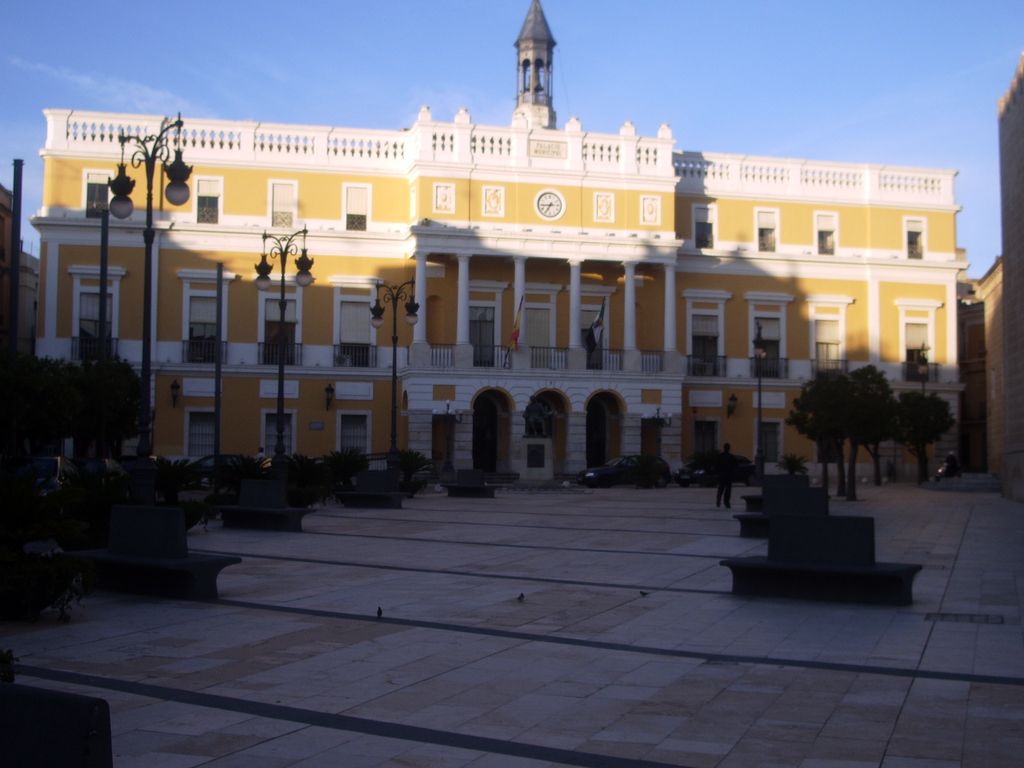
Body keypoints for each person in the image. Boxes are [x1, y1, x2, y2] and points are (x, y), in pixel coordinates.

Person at [715, 443, 739, 508]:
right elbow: (735, 466)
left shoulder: (720, 456)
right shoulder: (731, 457)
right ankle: (726, 502)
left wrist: (718, 473)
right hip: (728, 475)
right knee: (728, 490)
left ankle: (718, 500)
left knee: (721, 489)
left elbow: (716, 466)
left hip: (722, 475)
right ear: (729, 448)